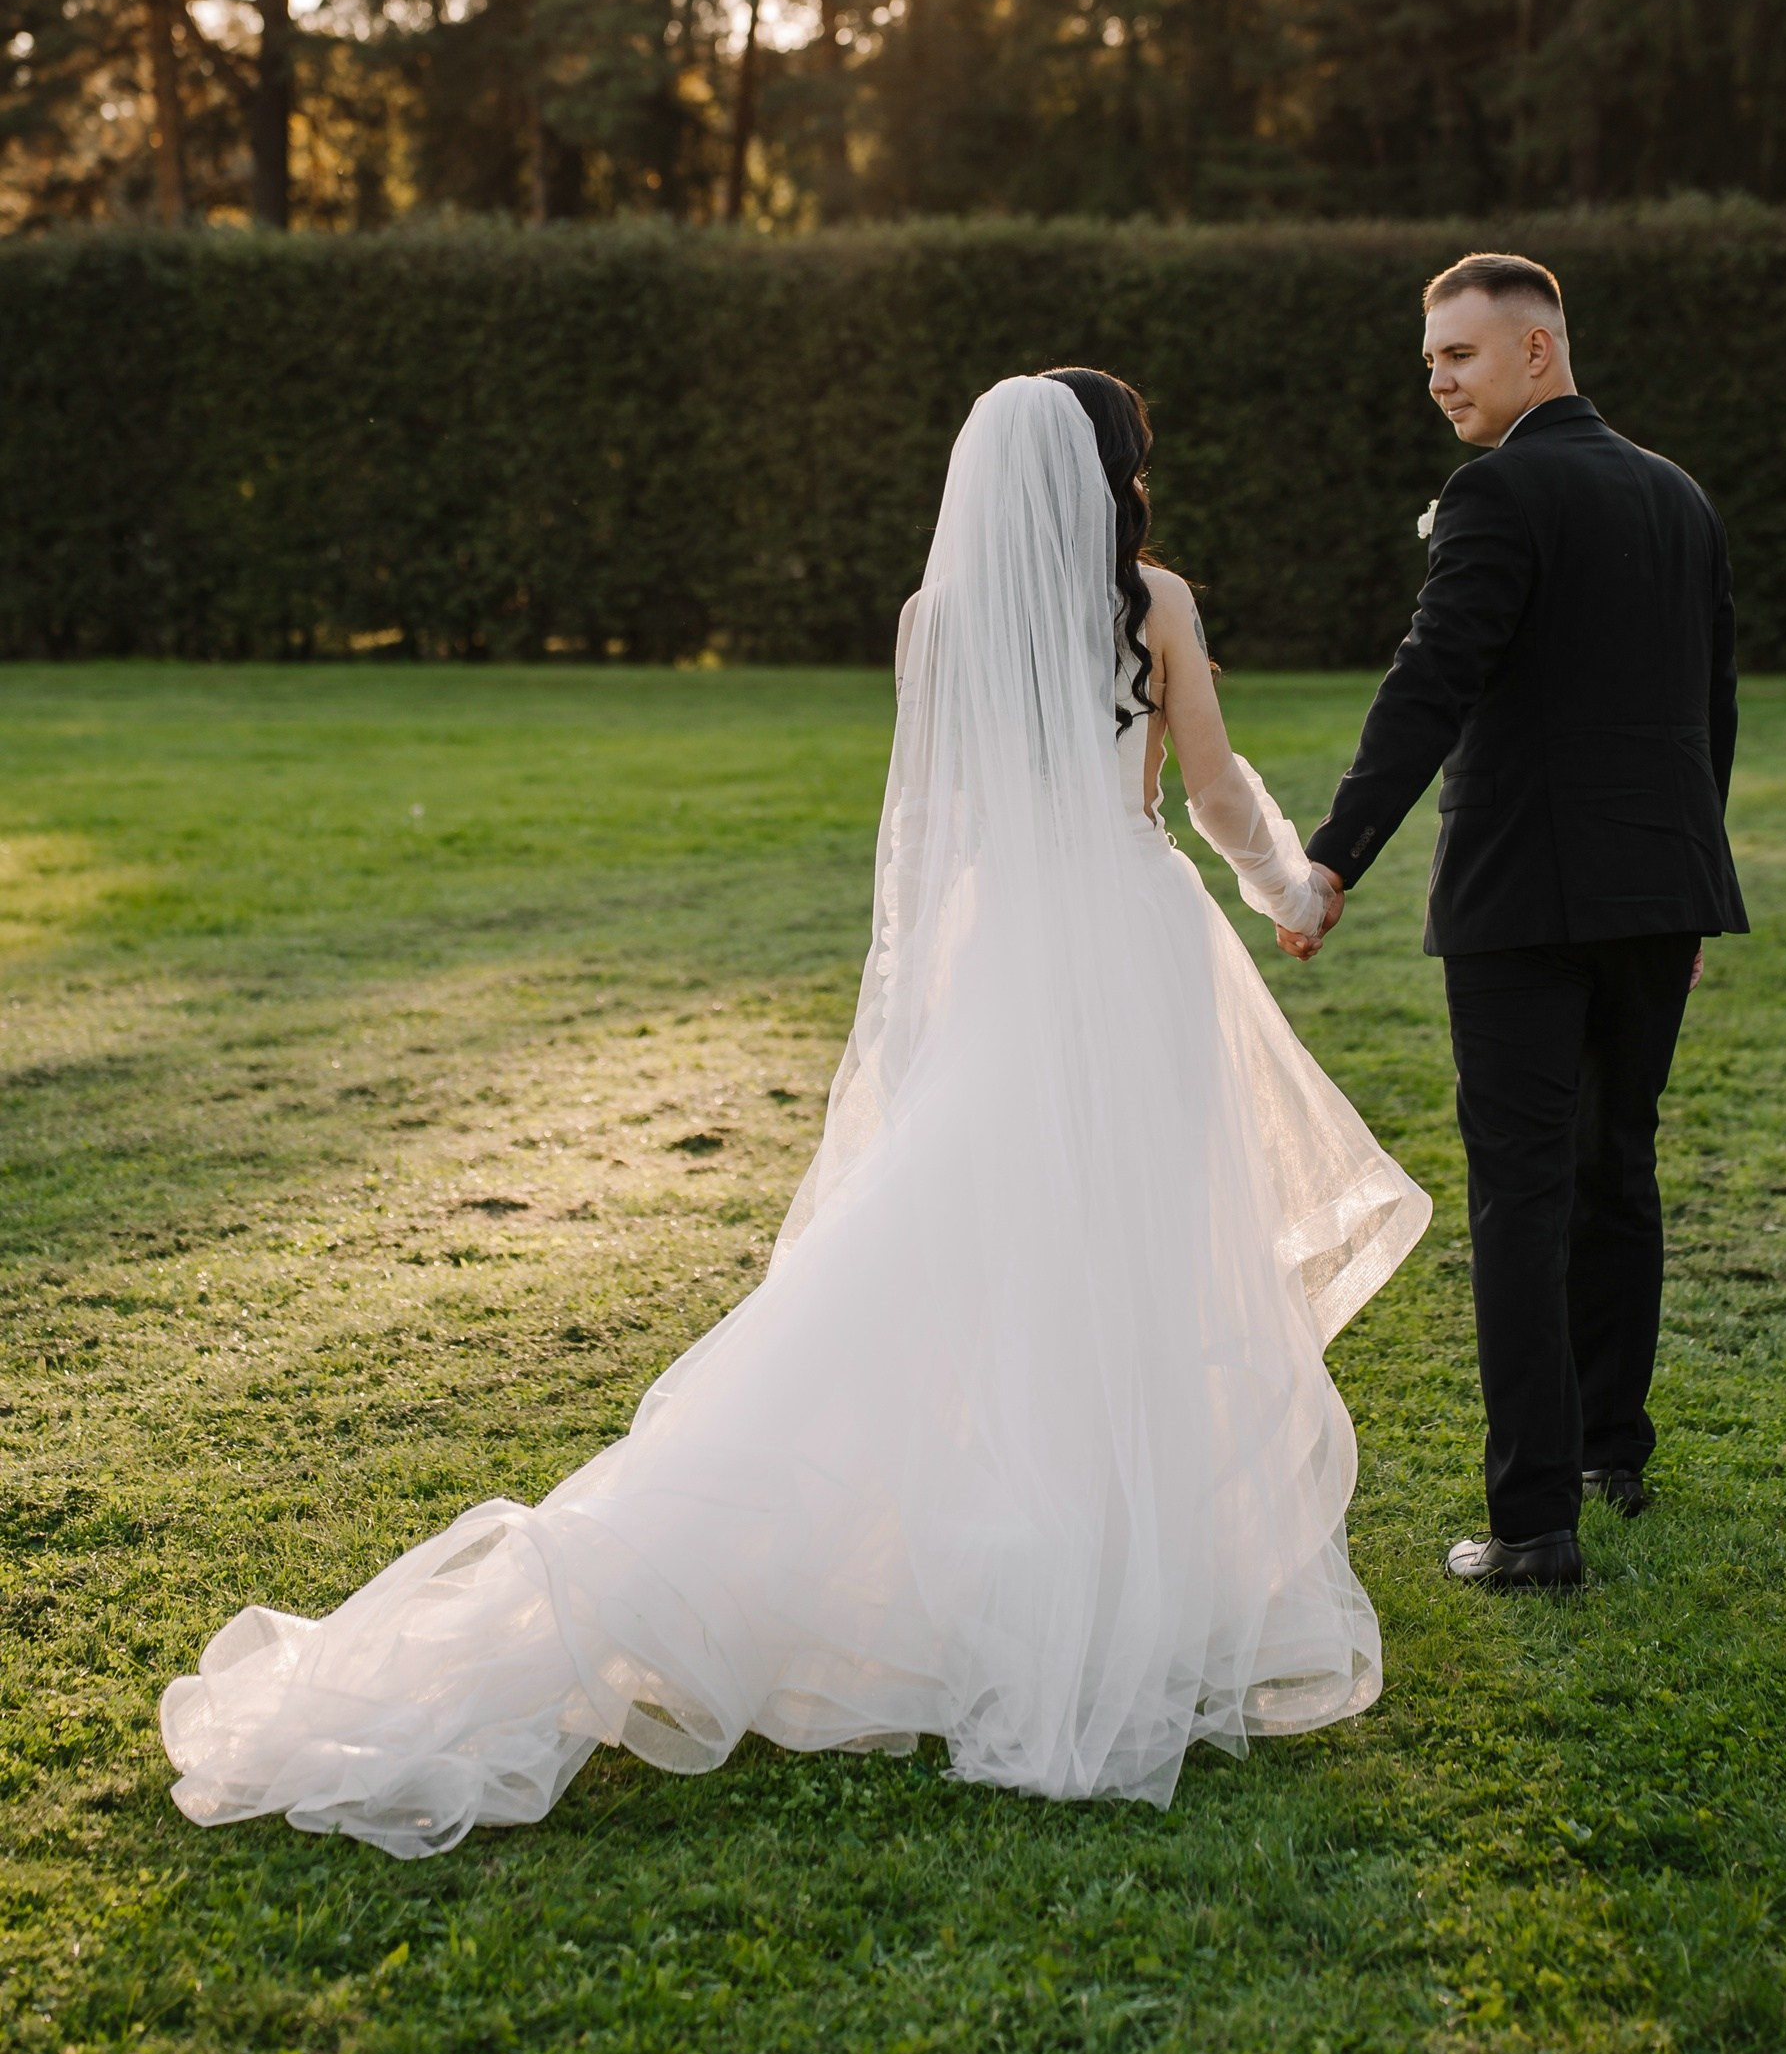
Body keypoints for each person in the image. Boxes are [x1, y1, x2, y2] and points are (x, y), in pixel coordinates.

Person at [160, 371, 1428, 1852]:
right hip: (1130, 954)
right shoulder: (1154, 603)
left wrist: (951, 999)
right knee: (1131, 1255)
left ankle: (1016, 1559)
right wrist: (1290, 885)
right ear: (1110, 473)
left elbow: (933, 837)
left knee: (980, 1256)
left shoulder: (934, 619)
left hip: (1011, 959)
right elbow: (1208, 789)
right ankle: (1106, 1577)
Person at [1286, 256, 1747, 1593]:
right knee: (1618, 1166)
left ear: (1539, 351)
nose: (1436, 379)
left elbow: (1434, 678)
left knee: (1525, 1192)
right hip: (1658, 893)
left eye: (1461, 356)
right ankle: (1612, 1452)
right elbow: (1712, 707)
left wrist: (1336, 857)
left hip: (1522, 904)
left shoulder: (1499, 489)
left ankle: (1535, 1524)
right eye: (1430, 358)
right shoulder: (1682, 495)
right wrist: (1690, 875)